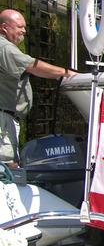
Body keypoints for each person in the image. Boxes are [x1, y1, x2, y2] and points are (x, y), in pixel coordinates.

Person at [0, 9, 77, 165]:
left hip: (8, 116)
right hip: (3, 118)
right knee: (7, 164)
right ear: (4, 27)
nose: (24, 31)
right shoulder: (4, 48)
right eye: (20, 26)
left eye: (24, 27)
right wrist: (66, 73)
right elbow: (32, 66)